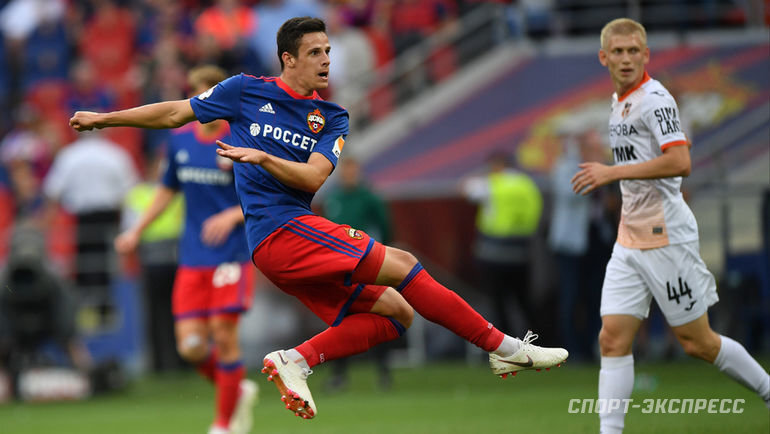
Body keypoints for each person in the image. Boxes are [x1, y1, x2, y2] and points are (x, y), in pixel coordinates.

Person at [70, 17, 568, 421]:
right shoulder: (244, 91)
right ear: (288, 59)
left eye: (328, 51)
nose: (326, 59)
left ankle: (297, 359)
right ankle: (502, 346)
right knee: (401, 263)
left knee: (396, 313)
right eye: (314, 52)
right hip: (276, 233)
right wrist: (106, 119)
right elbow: (175, 113)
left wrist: (263, 157)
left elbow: (312, 178)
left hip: (293, 234)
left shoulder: (332, 117)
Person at [570, 18, 770, 434]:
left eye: (634, 51)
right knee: (612, 338)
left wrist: (611, 172)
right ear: (604, 57)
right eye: (618, 52)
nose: (626, 59)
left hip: (664, 236)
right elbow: (657, 154)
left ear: (646, 55)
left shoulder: (655, 99)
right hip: (630, 238)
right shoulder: (619, 101)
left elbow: (680, 161)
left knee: (698, 342)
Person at [113, 65, 258, 434]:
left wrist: (231, 215)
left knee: (223, 334)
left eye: (212, 96)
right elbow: (167, 189)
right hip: (193, 256)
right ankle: (236, 388)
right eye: (199, 97)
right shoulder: (179, 142)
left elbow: (264, 196)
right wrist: (136, 231)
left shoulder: (240, 140)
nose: (206, 104)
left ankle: (223, 424)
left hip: (231, 255)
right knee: (191, 347)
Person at [322, 156, 394, 391]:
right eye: (346, 170)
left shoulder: (369, 198)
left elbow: (385, 227)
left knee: (379, 316)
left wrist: (382, 257)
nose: (349, 175)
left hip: (366, 266)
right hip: (339, 269)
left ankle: (384, 373)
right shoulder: (333, 197)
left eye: (353, 170)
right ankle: (339, 376)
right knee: (341, 321)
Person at [462, 151, 543, 335]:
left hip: (494, 254)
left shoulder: (492, 184)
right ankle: (537, 341)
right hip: (522, 253)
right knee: (524, 301)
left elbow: (465, 189)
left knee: (499, 305)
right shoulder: (526, 184)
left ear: (496, 165)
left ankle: (504, 343)